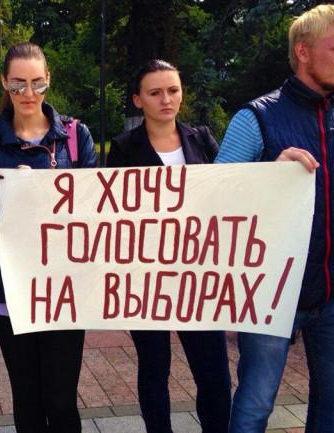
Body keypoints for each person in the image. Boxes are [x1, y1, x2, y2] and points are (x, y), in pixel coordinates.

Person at [214, 5, 334, 432]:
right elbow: (217, 194)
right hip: (269, 290)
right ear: (304, 52)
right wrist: (271, 171)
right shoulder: (256, 116)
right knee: (255, 406)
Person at [0, 42, 98, 433]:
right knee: (27, 398)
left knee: (60, 400)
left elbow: (94, 213)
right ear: (3, 83)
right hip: (8, 287)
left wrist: (41, 190)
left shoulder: (73, 135)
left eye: (38, 84)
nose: (28, 93)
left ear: (48, 81)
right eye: (18, 84)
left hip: (64, 286)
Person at [106, 59, 231, 433]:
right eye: (155, 93)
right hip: (146, 278)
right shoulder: (124, 148)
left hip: (198, 276)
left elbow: (230, 190)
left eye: (173, 90)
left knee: (215, 375)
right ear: (138, 100)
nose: (166, 100)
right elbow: (114, 212)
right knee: (154, 369)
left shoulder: (202, 139)